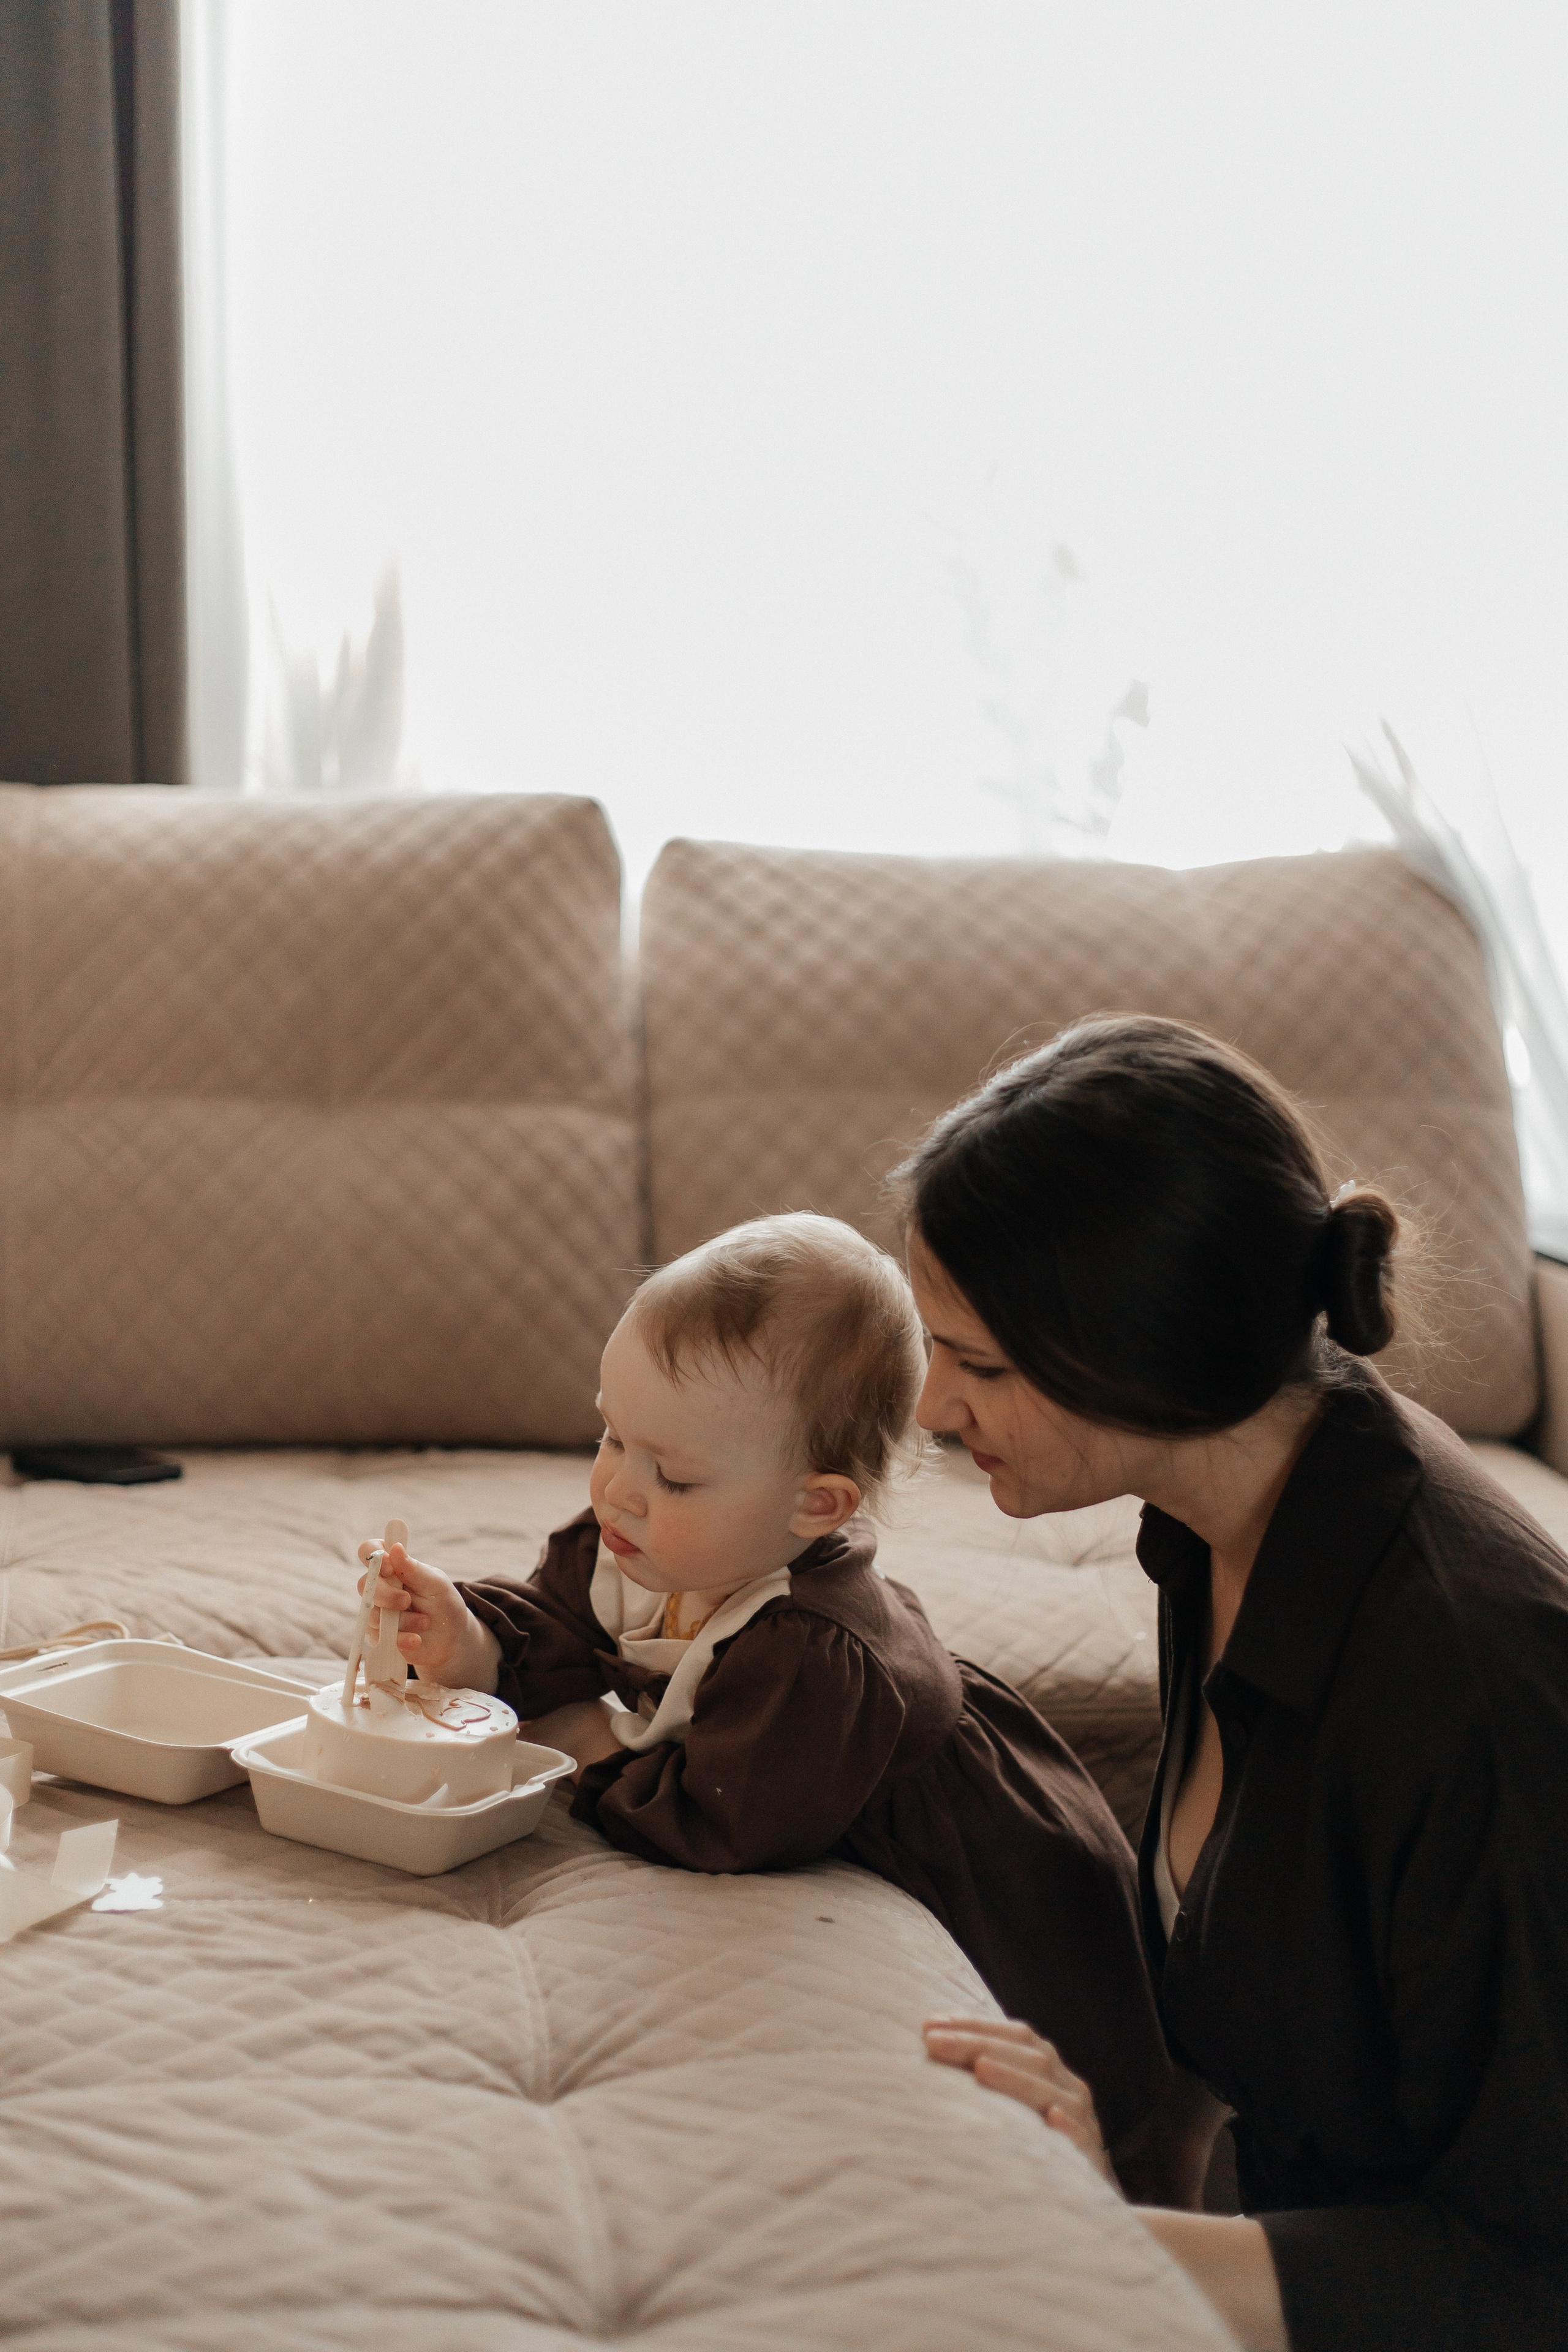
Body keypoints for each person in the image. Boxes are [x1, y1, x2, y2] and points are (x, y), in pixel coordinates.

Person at [902, 1012, 1568, 2352]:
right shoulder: (1217, 1526)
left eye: (979, 1364)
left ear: (1143, 1349)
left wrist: (1098, 2244)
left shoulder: (1469, 1694)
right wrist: (1116, 2156)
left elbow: (1530, 2277)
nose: (929, 1407)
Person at [358, 1211, 1177, 2190]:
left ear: (815, 1505)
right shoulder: (634, 1543)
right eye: (612, 1435)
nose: (619, 1489)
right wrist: (470, 1641)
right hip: (824, 1779)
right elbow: (559, 1633)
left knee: (1081, 2124)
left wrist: (589, 1744)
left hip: (999, 1877)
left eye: (673, 1474)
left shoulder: (812, 1654)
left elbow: (727, 1819)